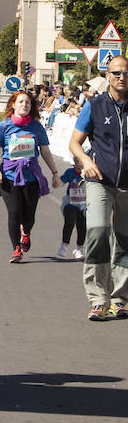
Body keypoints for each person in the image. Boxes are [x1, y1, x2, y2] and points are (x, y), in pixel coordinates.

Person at [68, 55, 128, 321]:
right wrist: (86, 161)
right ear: (107, 76)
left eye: (126, 73)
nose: (122, 77)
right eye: (116, 73)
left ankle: (120, 299)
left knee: (125, 242)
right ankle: (98, 299)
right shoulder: (95, 106)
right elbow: (74, 143)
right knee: (98, 232)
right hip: (99, 181)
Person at [0, 90, 61, 264]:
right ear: (13, 104)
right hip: (9, 175)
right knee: (14, 212)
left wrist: (55, 173)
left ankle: (26, 232)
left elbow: (44, 151)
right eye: (21, 102)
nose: (24, 105)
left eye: (28, 103)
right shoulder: (3, 126)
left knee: (28, 216)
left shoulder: (36, 127)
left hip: (31, 176)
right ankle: (16, 249)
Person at [57, 162, 87, 262]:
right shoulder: (70, 172)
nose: (79, 166)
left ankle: (79, 248)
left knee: (82, 226)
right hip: (70, 203)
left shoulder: (88, 173)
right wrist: (57, 182)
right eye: (77, 163)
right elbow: (61, 181)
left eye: (81, 163)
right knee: (69, 222)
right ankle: (64, 244)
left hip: (83, 205)